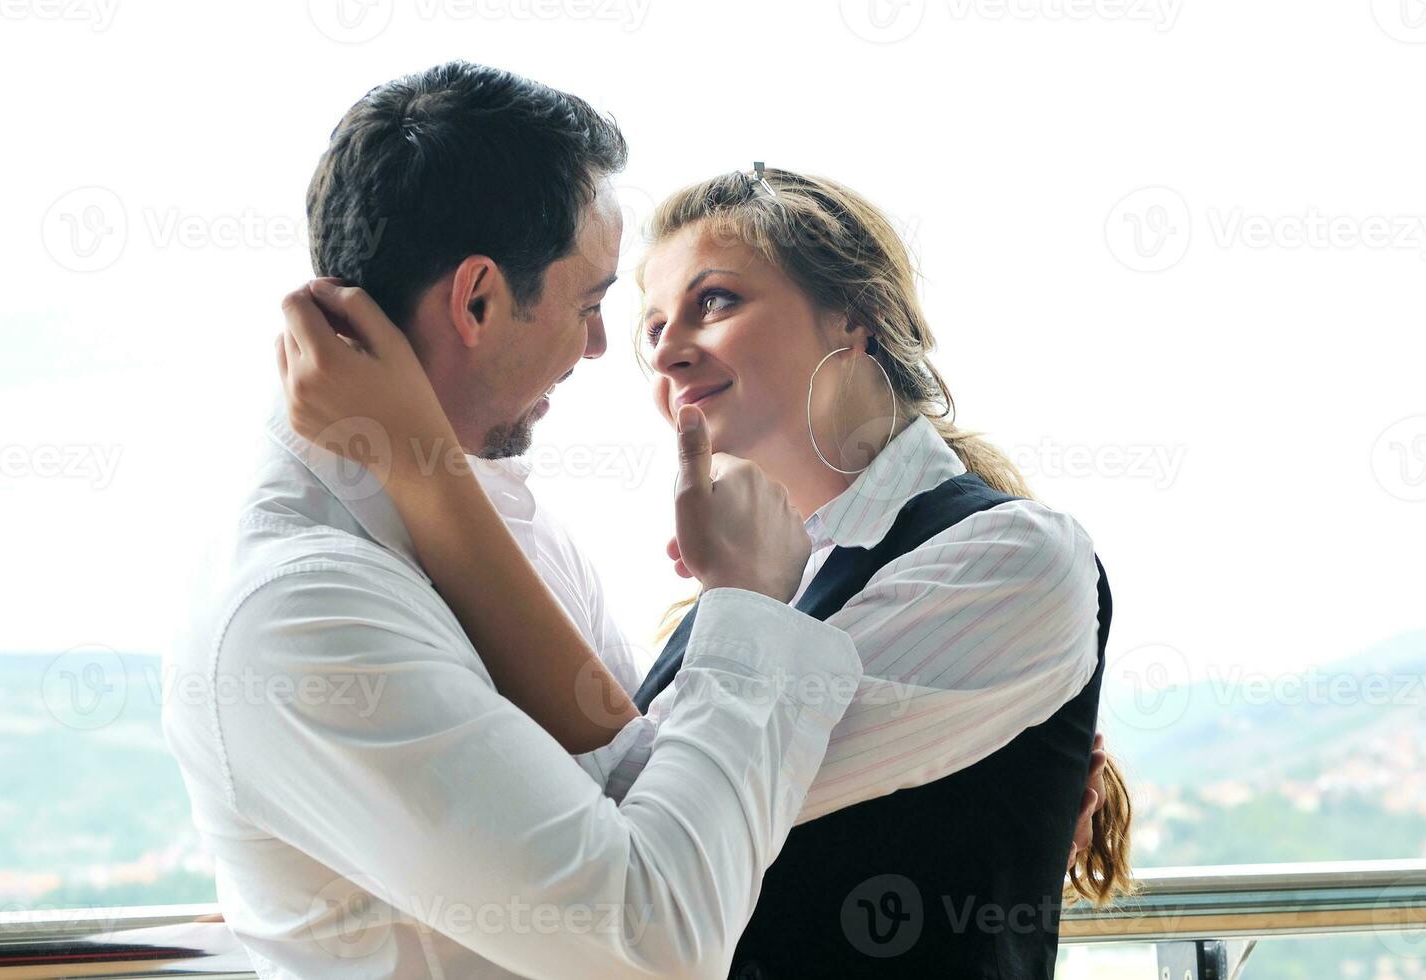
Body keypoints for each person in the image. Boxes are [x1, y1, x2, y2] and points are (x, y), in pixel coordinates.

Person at [275, 164, 1133, 976]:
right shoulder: (738, 597)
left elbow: (638, 806)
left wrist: (422, 466)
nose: (668, 352)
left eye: (712, 302)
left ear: (853, 315)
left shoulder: (1012, 559)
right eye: (653, 329)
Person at [163, 62, 868, 980]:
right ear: (479, 300)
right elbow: (657, 943)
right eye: (589, 304)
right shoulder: (301, 606)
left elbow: (635, 777)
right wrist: (747, 604)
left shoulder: (498, 510)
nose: (602, 346)